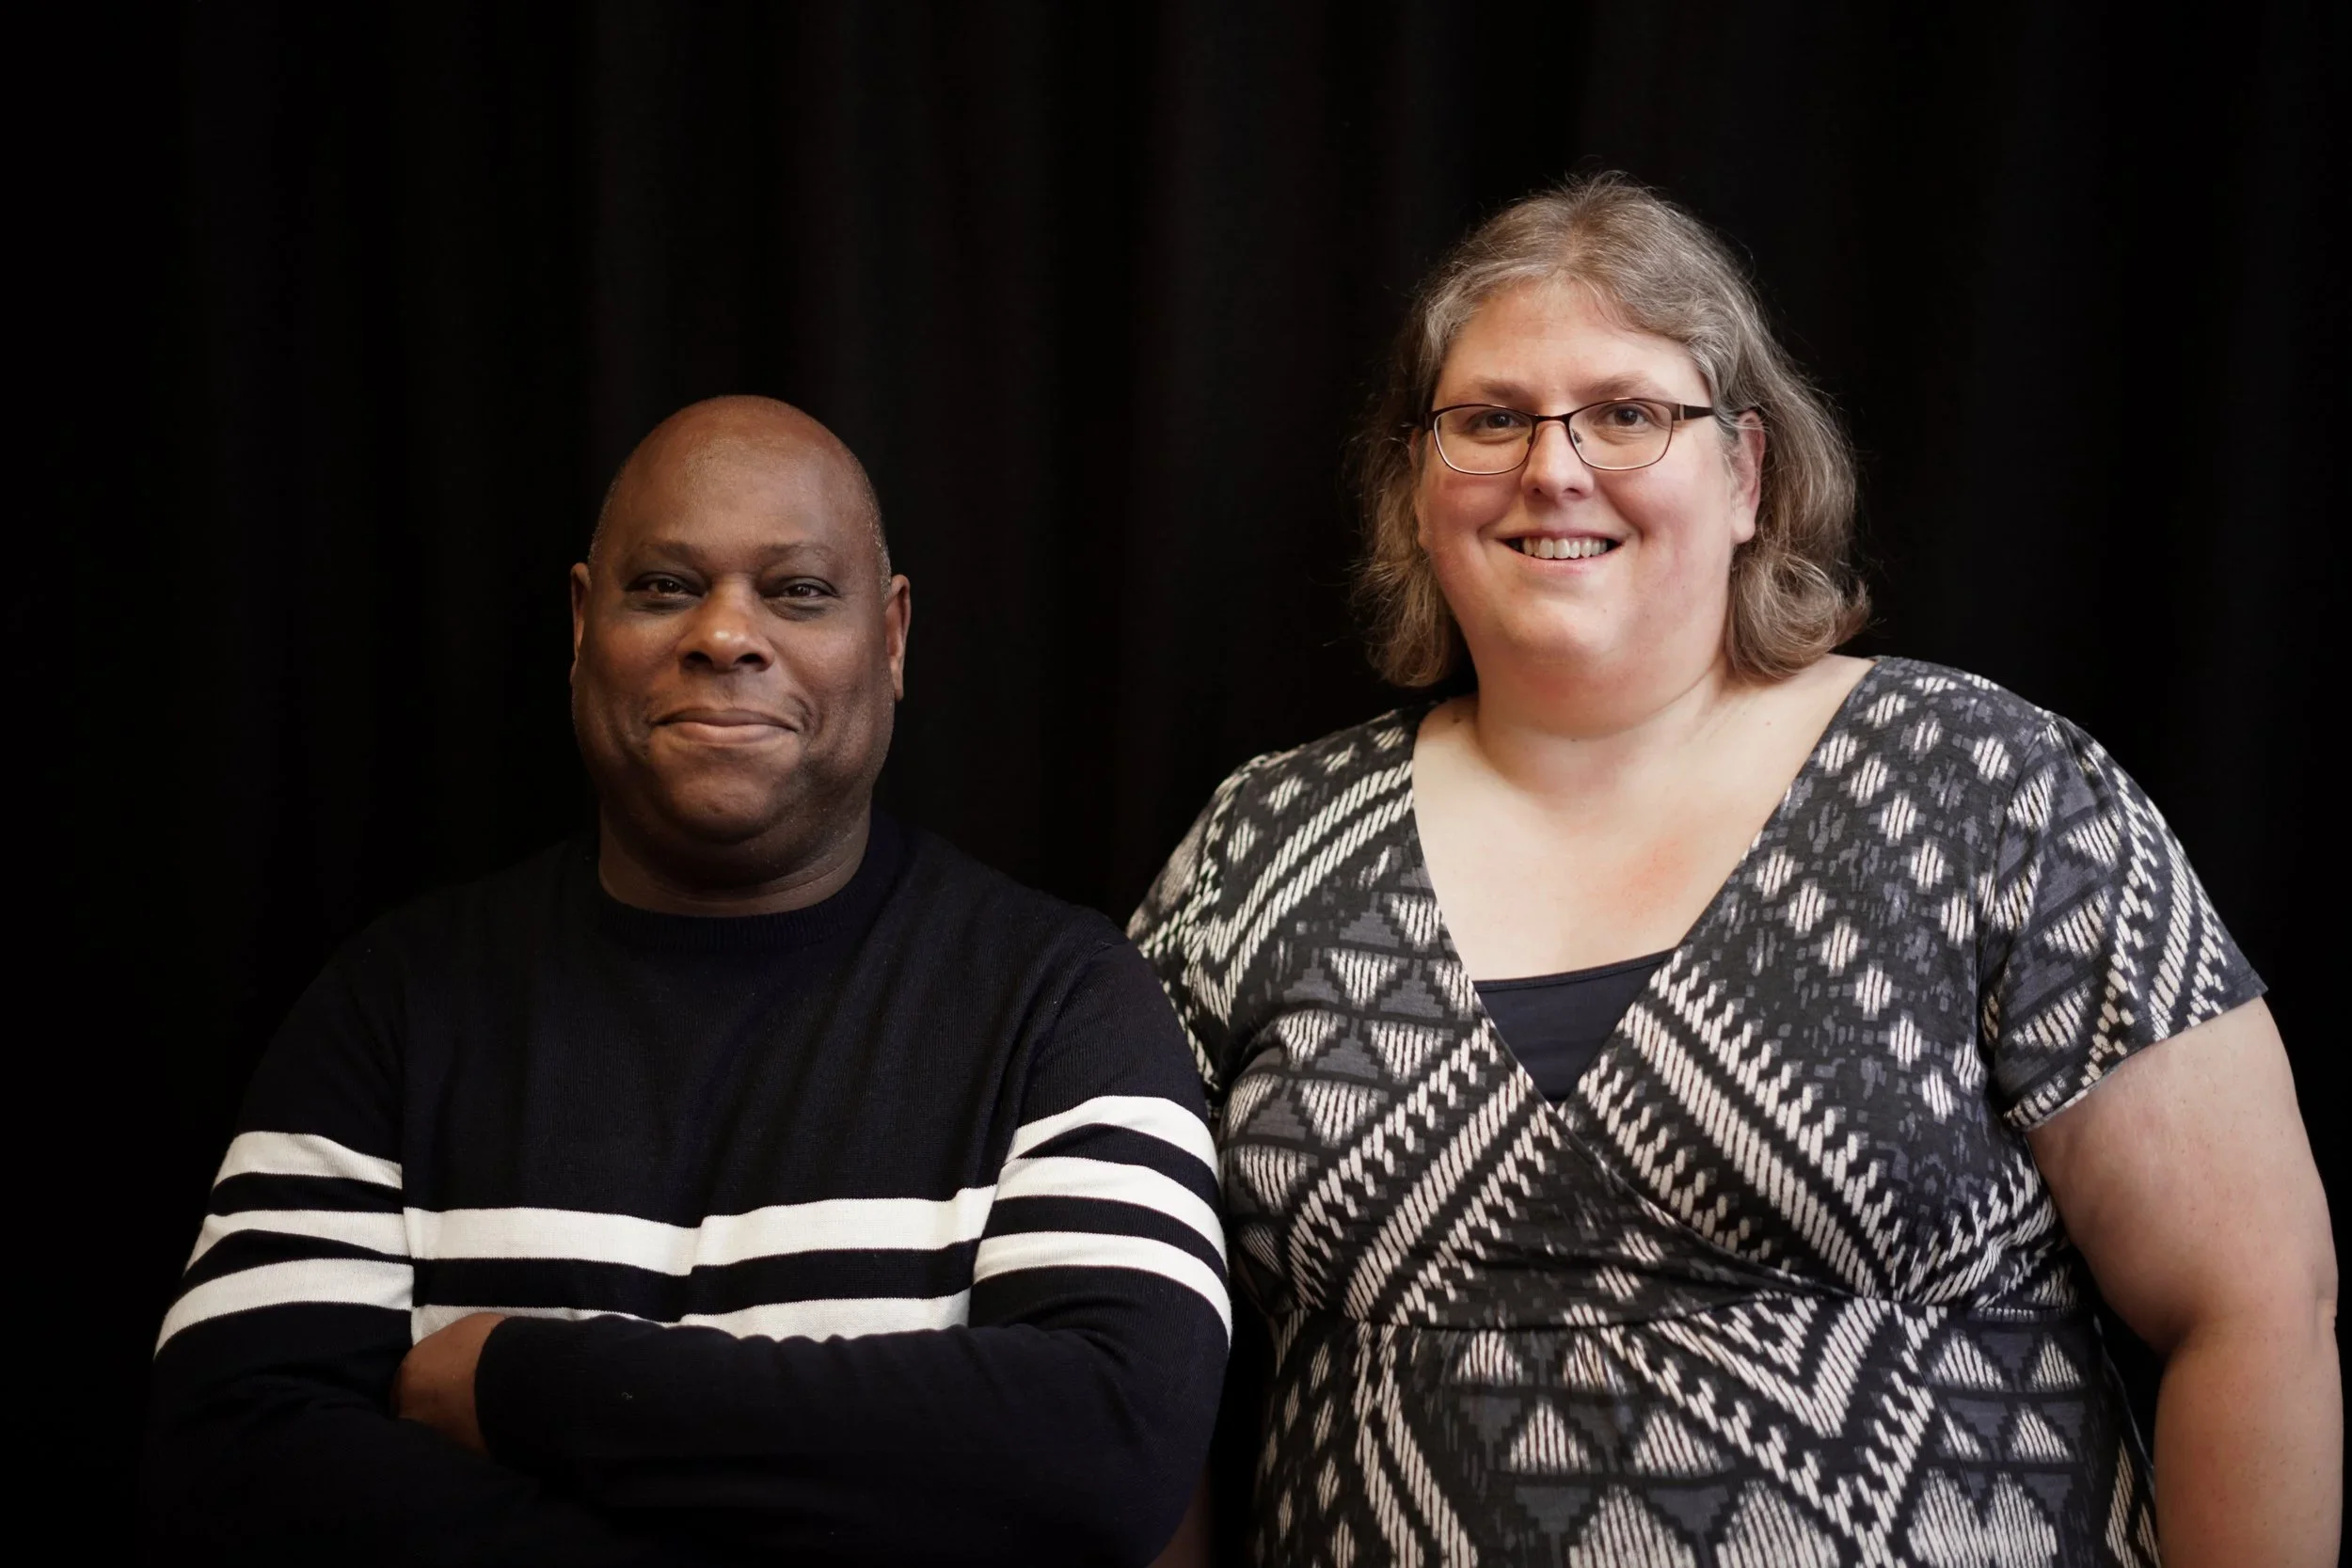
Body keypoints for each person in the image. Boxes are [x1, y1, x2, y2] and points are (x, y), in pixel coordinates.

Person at [1131, 176, 2337, 1565]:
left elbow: (2258, 1301)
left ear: (1749, 472)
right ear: (1418, 483)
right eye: (1489, 418)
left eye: (1629, 412)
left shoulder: (1989, 788)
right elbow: (1128, 1351)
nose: (1554, 467)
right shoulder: (1261, 847)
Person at [142, 396, 1229, 1565]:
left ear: (894, 634)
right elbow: (228, 1473)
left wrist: (523, 1379)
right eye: (663, 586)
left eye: (799, 590)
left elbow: (1107, 1447)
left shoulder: (1063, 1000)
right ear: (578, 623)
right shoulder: (393, 1007)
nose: (725, 633)